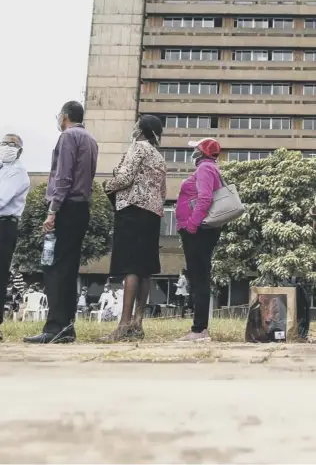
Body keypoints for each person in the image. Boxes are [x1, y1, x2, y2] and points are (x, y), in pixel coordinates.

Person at [24, 101, 98, 344]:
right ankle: (66, 327)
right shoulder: (91, 140)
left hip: (66, 206)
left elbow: (63, 176)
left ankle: (54, 326)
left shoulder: (68, 137)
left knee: (55, 267)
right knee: (68, 268)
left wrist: (53, 210)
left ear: (65, 116)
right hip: (82, 207)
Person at [100, 114, 166, 342]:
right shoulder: (159, 156)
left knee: (130, 266)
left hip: (132, 210)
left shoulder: (137, 147)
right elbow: (163, 192)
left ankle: (123, 325)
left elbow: (125, 177)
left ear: (142, 129)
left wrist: (107, 186)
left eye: (137, 124)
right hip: (153, 214)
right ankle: (137, 323)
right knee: (145, 268)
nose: (134, 127)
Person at [176, 138, 222, 341]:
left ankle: (199, 330)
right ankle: (199, 328)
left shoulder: (205, 168)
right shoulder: (209, 168)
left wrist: (191, 225)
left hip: (199, 231)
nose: (193, 151)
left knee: (199, 278)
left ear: (203, 152)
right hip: (202, 230)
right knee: (199, 276)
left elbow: (204, 198)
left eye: (196, 148)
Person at [0, 134, 30, 340]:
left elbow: (2, 199)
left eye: (13, 144)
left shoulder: (17, 172)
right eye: (4, 143)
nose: (7, 147)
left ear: (19, 150)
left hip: (4, 225)